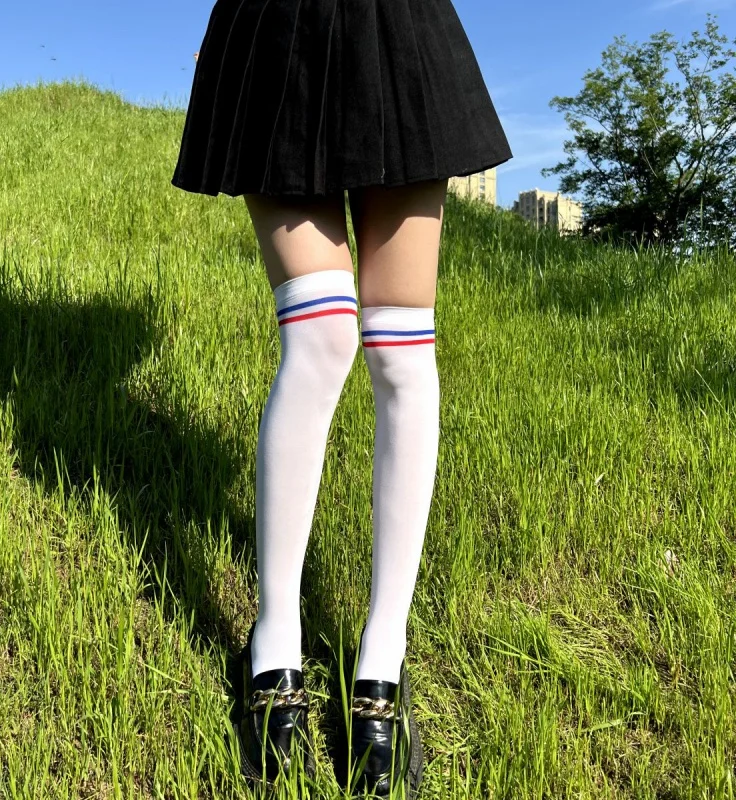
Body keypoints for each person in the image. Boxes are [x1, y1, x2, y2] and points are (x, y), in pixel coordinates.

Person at [172, 0, 512, 794]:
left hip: (395, 28)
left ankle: (382, 658)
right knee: (322, 338)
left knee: (399, 351)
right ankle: (274, 640)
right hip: (273, 29)